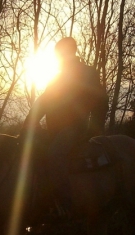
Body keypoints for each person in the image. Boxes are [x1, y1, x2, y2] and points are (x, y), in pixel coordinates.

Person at [22, 37, 108, 214]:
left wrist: (94, 129)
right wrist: (29, 124)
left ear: (71, 52)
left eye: (61, 53)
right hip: (55, 130)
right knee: (30, 151)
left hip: (76, 128)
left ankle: (64, 203)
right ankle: (37, 199)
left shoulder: (87, 73)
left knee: (55, 154)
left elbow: (100, 100)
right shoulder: (56, 78)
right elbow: (43, 102)